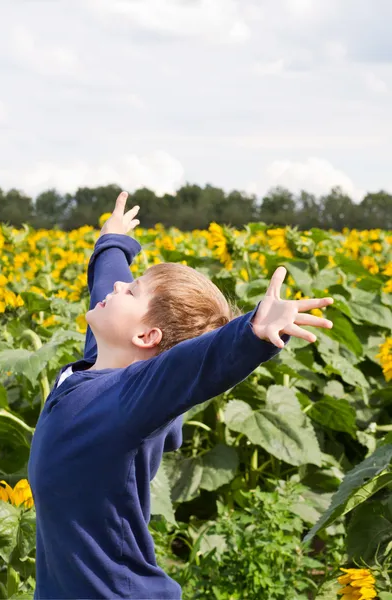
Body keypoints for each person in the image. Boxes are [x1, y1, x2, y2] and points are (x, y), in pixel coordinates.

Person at [28, 191, 334, 599]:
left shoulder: (131, 398)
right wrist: (113, 240)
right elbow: (106, 282)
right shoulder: (103, 361)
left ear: (147, 336)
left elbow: (194, 367)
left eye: (132, 292)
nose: (119, 287)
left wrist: (252, 333)